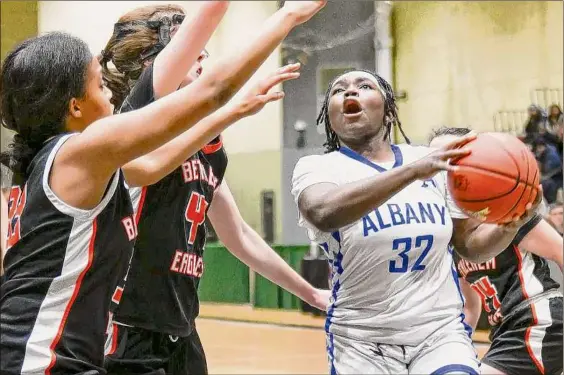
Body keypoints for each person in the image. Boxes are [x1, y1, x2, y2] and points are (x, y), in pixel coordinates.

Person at [0, 1, 324, 373]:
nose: (108, 88)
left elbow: (152, 166)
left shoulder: (70, 160)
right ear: (74, 106)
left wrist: (232, 113)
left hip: (92, 343)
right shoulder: (87, 150)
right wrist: (289, 14)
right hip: (65, 349)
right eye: (99, 83)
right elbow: (214, 90)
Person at [97, 2, 329, 374]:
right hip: (126, 329)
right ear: (149, 64)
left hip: (181, 330)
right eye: (193, 51)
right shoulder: (134, 119)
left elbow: (238, 235)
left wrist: (311, 292)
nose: (203, 55)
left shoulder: (209, 143)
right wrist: (289, 15)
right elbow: (217, 76)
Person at [291, 69, 541, 375]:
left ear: (388, 110)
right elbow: (322, 212)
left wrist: (510, 226)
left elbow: (469, 246)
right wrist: (411, 172)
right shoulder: (318, 168)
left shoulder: (427, 161)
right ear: (329, 116)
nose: (349, 92)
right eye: (338, 90)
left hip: (438, 333)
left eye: (364, 86)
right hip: (362, 339)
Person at [430, 126, 563, 375]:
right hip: (504, 330)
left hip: (537, 317)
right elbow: (471, 308)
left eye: (453, 159)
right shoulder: (448, 235)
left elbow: (560, 252)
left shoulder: (505, 213)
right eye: (437, 161)